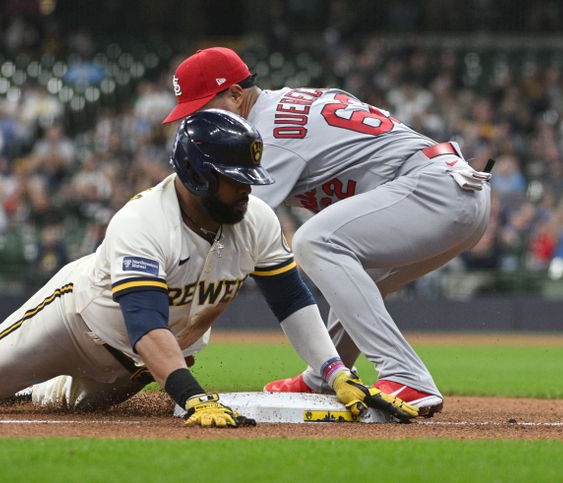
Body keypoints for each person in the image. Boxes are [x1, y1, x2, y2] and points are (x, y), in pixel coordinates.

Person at [0, 110, 417, 426]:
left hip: (135, 362)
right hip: (76, 321)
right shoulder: (142, 223)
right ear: (198, 176)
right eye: (231, 182)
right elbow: (147, 323)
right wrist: (188, 396)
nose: (244, 193)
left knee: (59, 406)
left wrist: (331, 370)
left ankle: (37, 384)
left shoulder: (251, 220)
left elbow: (291, 299)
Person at [163, 47, 493, 417]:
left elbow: (228, 220)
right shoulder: (290, 102)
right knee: (351, 266)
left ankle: (405, 376)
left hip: (431, 190)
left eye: (202, 108)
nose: (196, 120)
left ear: (237, 95)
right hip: (453, 189)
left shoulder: (267, 136)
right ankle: (326, 373)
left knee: (316, 242)